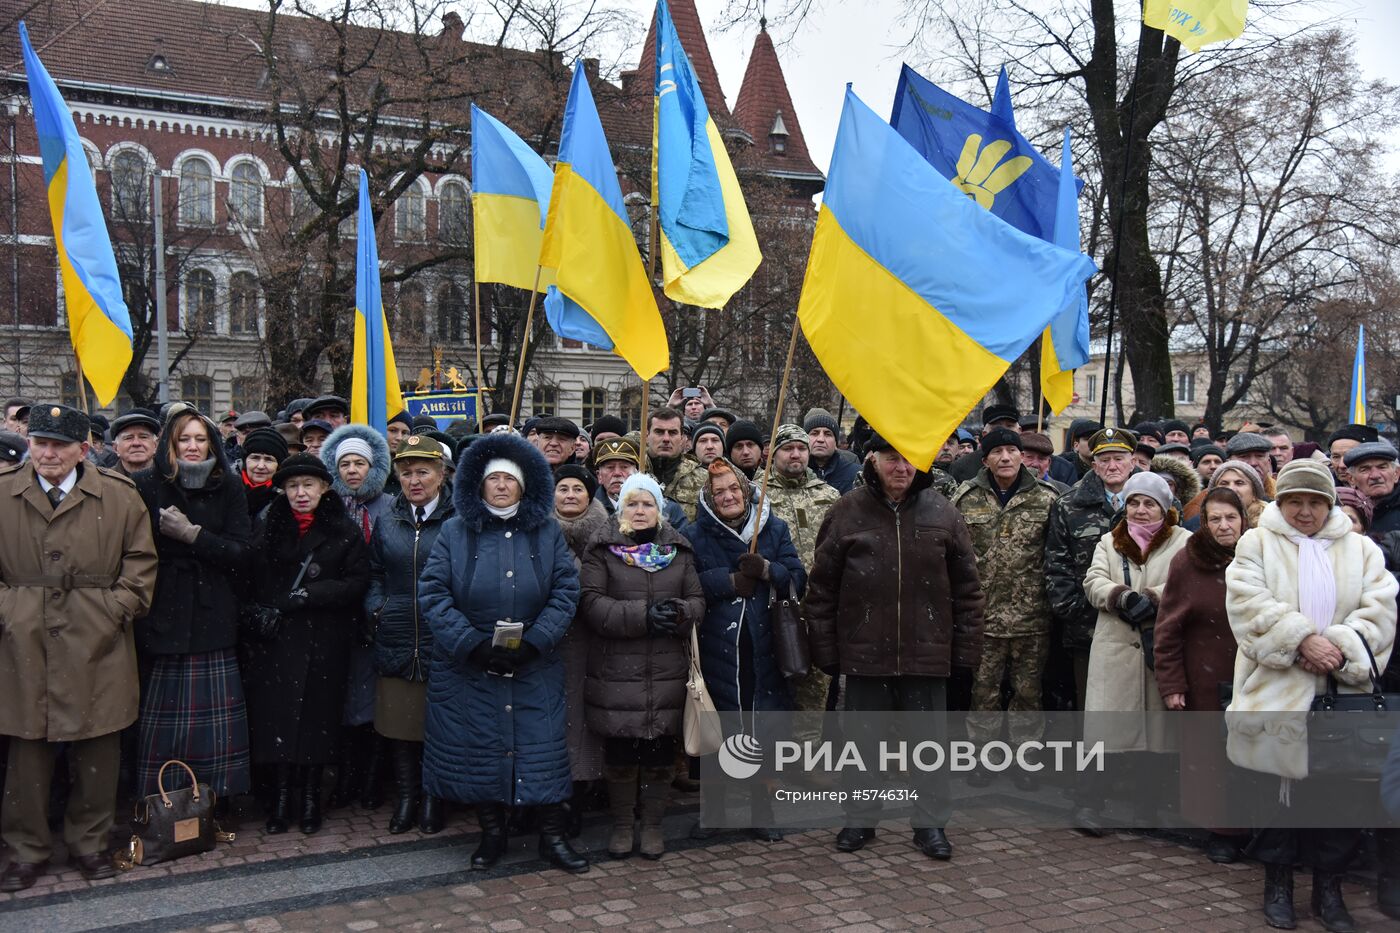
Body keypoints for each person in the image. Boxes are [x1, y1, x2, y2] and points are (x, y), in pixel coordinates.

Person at [1225, 459, 1397, 930]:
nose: (1305, 512)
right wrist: (1300, 639)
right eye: (1295, 501)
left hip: (1342, 697)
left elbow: (1380, 612)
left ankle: (1329, 891)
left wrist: (1338, 649)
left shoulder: (1361, 550)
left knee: (1337, 803)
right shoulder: (1256, 543)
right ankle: (1277, 887)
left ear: (1330, 504)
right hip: (1276, 693)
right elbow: (1246, 603)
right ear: (1281, 503)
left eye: (1315, 502)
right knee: (1277, 802)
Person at [805, 432, 985, 860]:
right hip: (866, 654)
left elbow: (969, 591)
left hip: (927, 655)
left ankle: (930, 825)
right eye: (891, 458)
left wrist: (964, 652)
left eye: (909, 459)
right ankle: (860, 820)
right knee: (863, 748)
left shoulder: (943, 512)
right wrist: (827, 651)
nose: (901, 468)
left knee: (929, 749)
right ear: (874, 459)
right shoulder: (847, 513)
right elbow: (821, 590)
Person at [0, 405, 157, 891]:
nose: (48, 453)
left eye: (60, 445)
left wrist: (112, 611)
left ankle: (90, 843)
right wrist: (10, 611)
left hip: (99, 639)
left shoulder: (120, 496)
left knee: (98, 747)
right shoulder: (3, 493)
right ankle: (27, 848)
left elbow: (141, 565)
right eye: (41, 443)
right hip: (21, 639)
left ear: (83, 450)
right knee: (27, 751)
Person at [419, 432, 587, 874]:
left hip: (535, 662)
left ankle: (552, 837)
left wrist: (536, 640)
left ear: (523, 484)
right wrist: (470, 644)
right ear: (479, 484)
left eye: (508, 480)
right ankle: (492, 834)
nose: (500, 486)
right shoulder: (455, 531)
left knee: (542, 751)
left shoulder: (546, 529)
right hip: (470, 666)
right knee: (482, 752)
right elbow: (434, 592)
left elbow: (566, 590)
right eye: (492, 479)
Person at [131, 408, 253, 812]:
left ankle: (214, 799)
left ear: (212, 442)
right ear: (170, 443)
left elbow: (241, 554)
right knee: (164, 728)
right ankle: (163, 801)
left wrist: (194, 536)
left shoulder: (229, 486)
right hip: (163, 611)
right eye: (185, 439)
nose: (193, 446)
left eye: (201, 439)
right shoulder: (146, 484)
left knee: (213, 729)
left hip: (212, 611)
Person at [579, 473, 706, 861]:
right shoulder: (601, 550)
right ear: (621, 509)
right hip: (617, 673)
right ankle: (621, 824)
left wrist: (679, 613)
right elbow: (591, 604)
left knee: (659, 757)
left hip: (666, 673)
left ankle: (651, 825)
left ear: (659, 510)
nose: (639, 510)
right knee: (620, 756)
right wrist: (644, 615)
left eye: (647, 503)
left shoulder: (679, 553)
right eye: (632, 503)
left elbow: (698, 601)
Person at [242, 453, 369, 835]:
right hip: (276, 642)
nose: (300, 493)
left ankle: (311, 797)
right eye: (293, 486)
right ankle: (282, 798)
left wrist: (310, 595)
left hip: (323, 641)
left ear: (324, 488)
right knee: (277, 722)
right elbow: (250, 577)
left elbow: (357, 581)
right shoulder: (267, 525)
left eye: (308, 485)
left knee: (316, 724)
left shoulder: (344, 530)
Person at [688, 457, 805, 839]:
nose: (728, 497)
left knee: (763, 728)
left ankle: (761, 808)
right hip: (717, 647)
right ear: (709, 498)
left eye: (733, 489)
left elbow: (797, 577)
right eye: (719, 492)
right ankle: (717, 809)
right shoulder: (696, 534)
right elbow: (687, 582)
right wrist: (727, 581)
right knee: (719, 725)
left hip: (765, 644)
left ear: (746, 490)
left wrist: (768, 570)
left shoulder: (773, 527)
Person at [1079, 471, 1190, 829]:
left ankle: (1148, 807)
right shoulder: (1110, 542)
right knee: (1106, 731)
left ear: (1165, 507)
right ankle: (1090, 804)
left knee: (1157, 733)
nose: (1140, 510)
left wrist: (1154, 597)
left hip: (1160, 647)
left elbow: (1186, 581)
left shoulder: (1184, 543)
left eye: (1149, 503)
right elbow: (1093, 580)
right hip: (1115, 650)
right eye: (1133, 502)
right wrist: (1121, 597)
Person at [951, 428, 1058, 788]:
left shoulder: (1046, 498)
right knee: (984, 691)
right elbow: (955, 557)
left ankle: (1026, 760)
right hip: (985, 616)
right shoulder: (965, 498)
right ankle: (983, 758)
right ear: (986, 460)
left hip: (1032, 615)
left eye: (1013, 450)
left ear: (1022, 455)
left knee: (1028, 693)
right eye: (998, 452)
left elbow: (1054, 555)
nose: (1007, 458)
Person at [1152, 487, 1251, 864]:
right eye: (1215, 519)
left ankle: (1257, 827)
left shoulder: (1262, 554)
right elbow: (1167, 629)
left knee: (1258, 755)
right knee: (1213, 758)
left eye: (1231, 517)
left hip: (1258, 676)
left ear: (1244, 517)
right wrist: (1173, 683)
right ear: (1204, 523)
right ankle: (1222, 831)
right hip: (1208, 677)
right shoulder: (1187, 561)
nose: (1225, 526)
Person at [364, 435, 456, 835]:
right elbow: (375, 572)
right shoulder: (389, 520)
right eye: (406, 473)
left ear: (442, 475)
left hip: (443, 636)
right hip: (397, 633)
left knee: (438, 726)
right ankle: (406, 798)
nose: (414, 480)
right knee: (401, 726)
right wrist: (377, 607)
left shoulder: (459, 520)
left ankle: (434, 799)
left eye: (423, 472)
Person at [320, 423, 395, 811]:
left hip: (378, 616)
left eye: (360, 463)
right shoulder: (327, 507)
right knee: (343, 696)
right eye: (345, 463)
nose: (352, 470)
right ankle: (345, 775)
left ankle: (372, 778)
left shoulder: (390, 507)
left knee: (372, 698)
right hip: (338, 614)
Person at [1045, 428, 1138, 712]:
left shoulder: (1155, 502)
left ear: (1132, 461)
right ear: (1093, 464)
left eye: (1119, 458)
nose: (1112, 466)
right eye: (1104, 459)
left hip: (1139, 624)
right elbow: (1056, 566)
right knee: (1092, 706)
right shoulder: (1069, 505)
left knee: (1137, 705)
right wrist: (1074, 611)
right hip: (1088, 628)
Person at [760, 424, 839, 747]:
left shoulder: (829, 495)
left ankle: (807, 753)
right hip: (773, 602)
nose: (796, 454)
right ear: (774, 454)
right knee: (772, 679)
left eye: (801, 448)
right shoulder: (758, 493)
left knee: (817, 682)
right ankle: (772, 753)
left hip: (818, 603)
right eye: (788, 448)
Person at [553, 463, 610, 825]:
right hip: (554, 641)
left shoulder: (607, 532)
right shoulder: (539, 531)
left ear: (590, 495)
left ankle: (590, 785)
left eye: (578, 489)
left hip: (596, 638)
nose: (570, 495)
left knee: (590, 717)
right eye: (563, 488)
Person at [589, 436, 686, 526]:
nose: (617, 473)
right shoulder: (588, 509)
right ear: (599, 476)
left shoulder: (666, 508)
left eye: (624, 467)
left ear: (637, 472)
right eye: (610, 468)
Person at [645, 408, 705, 520]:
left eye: (673, 433)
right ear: (647, 436)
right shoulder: (634, 472)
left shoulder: (702, 478)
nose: (666, 439)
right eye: (659, 432)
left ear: (682, 438)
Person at [1342, 441, 1400, 533]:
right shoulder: (1341, 511)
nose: (1375, 475)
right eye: (1365, 469)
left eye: (1382, 467)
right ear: (1351, 479)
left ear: (1396, 474)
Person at [802, 408, 860, 493]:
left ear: (836, 443)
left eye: (827, 434)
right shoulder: (793, 473)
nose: (820, 439)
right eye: (814, 433)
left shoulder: (856, 474)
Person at [239, 426, 289, 517]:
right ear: (245, 461)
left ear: (278, 465)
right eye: (255, 458)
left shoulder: (286, 497)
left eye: (268, 460)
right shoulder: (227, 488)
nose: (261, 466)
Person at [110, 409, 161, 477]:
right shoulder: (103, 482)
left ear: (155, 445)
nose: (136, 443)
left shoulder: (171, 480)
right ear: (115, 448)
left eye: (143, 437)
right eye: (128, 438)